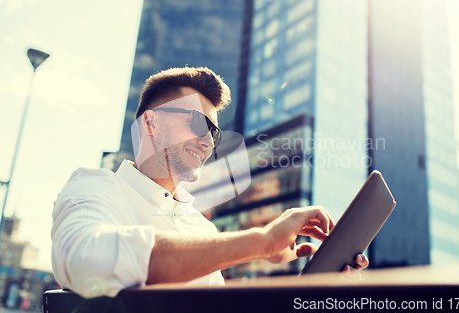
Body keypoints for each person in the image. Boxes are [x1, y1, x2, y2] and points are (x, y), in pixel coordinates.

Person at [51, 67, 368, 298]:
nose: (208, 142)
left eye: (214, 133)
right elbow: (85, 259)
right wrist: (264, 242)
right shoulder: (96, 187)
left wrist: (320, 293)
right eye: (197, 123)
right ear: (150, 121)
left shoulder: (201, 228)